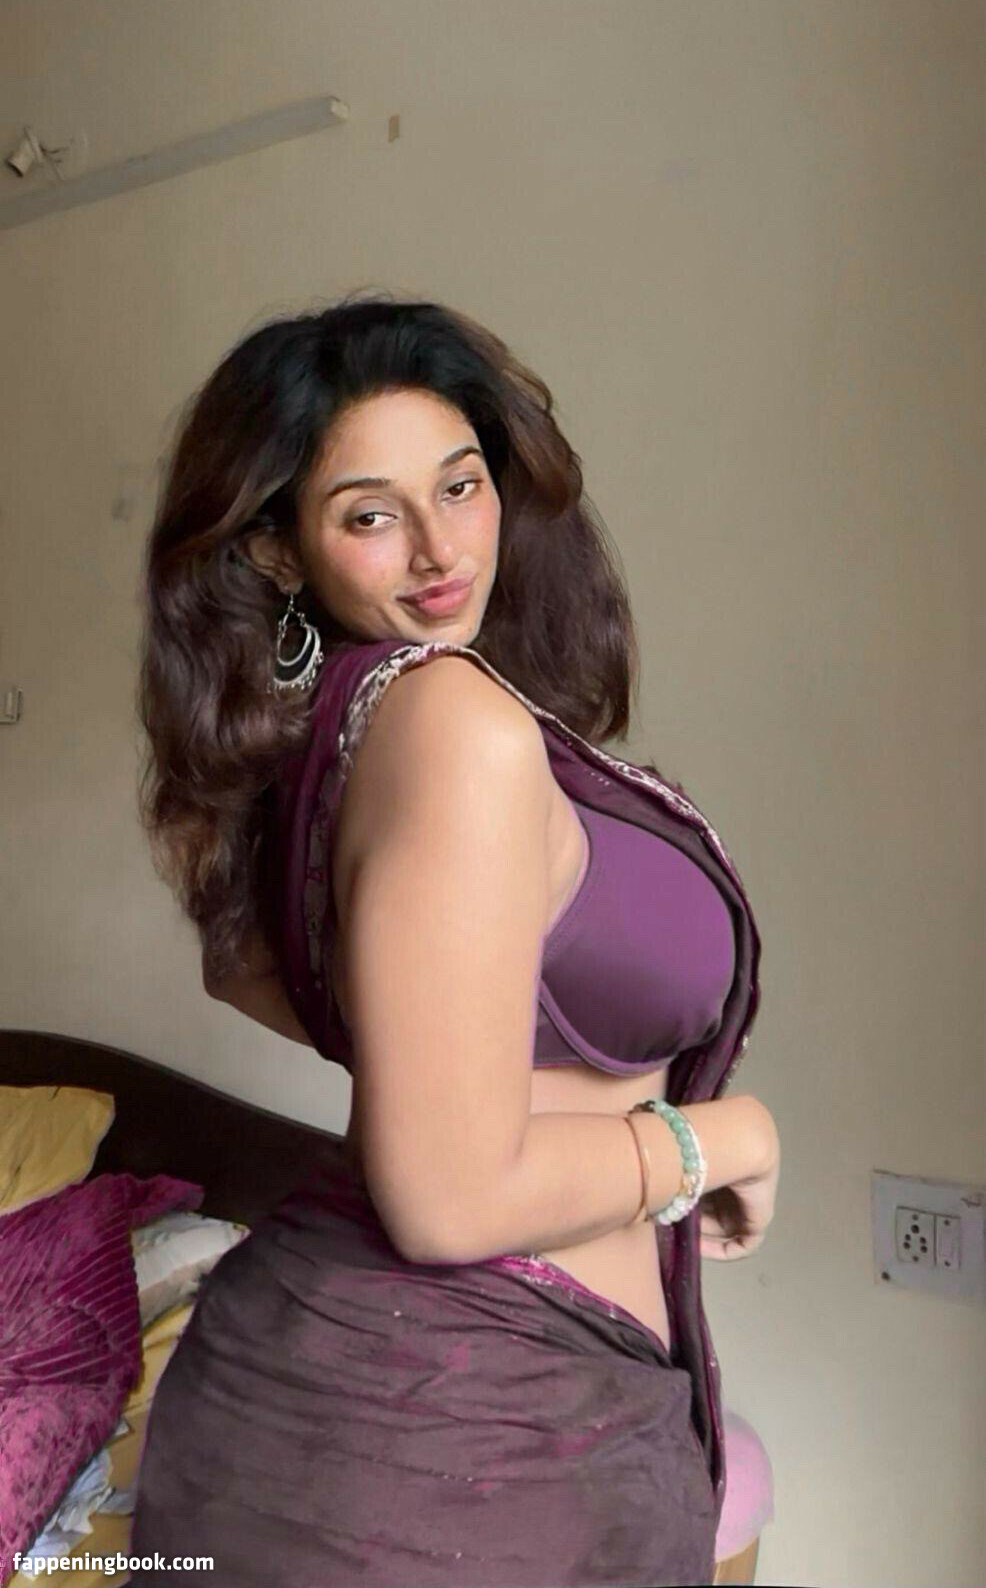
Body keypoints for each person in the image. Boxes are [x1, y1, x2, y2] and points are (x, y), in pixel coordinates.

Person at [131, 290, 779, 1587]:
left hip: (385, 1414)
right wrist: (730, 1139)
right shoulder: (448, 727)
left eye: (461, 485)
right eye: (370, 514)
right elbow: (448, 1200)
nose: (439, 548)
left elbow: (246, 967)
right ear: (277, 554)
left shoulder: (341, 735)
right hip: (447, 1447)